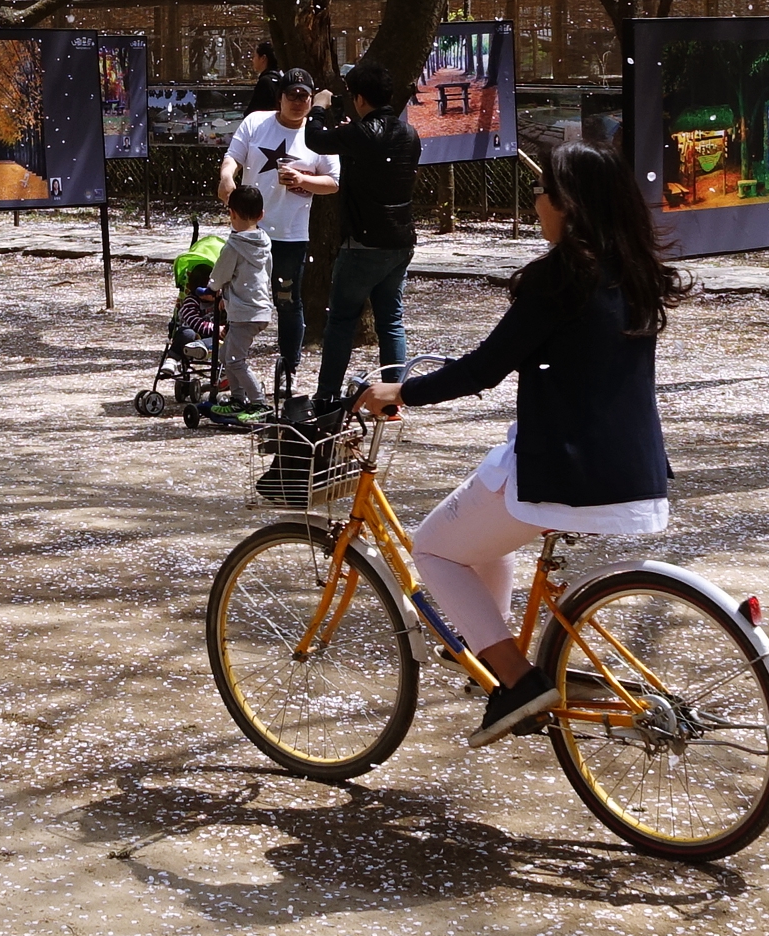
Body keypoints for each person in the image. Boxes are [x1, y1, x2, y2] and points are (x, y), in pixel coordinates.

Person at [359, 140, 684, 746]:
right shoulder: (636, 273)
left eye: (543, 193)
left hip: (561, 473)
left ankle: (516, 679)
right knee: (483, 516)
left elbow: (485, 368)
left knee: (433, 548)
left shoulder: (562, 279)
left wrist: (400, 391)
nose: (535, 202)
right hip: (634, 472)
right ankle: (495, 647)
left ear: (570, 206)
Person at [307, 61, 423, 407]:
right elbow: (376, 163)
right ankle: (395, 397)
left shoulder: (360, 134)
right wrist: (350, 134)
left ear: (359, 99)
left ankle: (326, 395)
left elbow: (314, 139)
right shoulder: (409, 134)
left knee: (342, 320)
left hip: (362, 243)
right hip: (400, 241)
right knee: (391, 320)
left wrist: (318, 106)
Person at [218, 71, 339, 392]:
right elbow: (233, 157)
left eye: (304, 96)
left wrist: (303, 181)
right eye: (292, 96)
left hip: (290, 235)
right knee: (236, 299)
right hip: (249, 232)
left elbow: (333, 182)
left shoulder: (318, 135)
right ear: (280, 98)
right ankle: (229, 366)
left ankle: (289, 368)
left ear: (311, 99)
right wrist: (227, 176)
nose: (298, 102)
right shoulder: (257, 122)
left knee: (287, 301)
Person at [206, 181, 275, 407]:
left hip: (245, 313)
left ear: (231, 213)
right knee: (227, 355)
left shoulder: (234, 246)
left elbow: (221, 272)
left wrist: (212, 289)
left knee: (235, 360)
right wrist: (229, 298)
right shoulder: (264, 243)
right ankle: (237, 398)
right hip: (258, 308)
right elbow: (264, 274)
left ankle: (258, 402)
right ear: (262, 214)